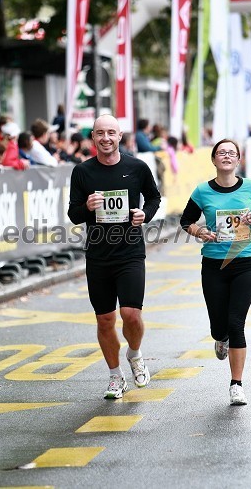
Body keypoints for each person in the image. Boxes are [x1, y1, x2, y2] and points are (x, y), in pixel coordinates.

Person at [68, 114, 161, 399]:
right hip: (98, 254)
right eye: (100, 133)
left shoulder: (137, 167)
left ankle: (134, 353)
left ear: (120, 136)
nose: (106, 138)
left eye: (111, 132)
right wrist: (87, 206)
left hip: (130, 251)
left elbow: (154, 197)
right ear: (93, 138)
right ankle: (114, 376)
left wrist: (146, 215)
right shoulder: (82, 172)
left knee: (131, 314)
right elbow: (73, 214)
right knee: (105, 320)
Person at [180, 138, 251, 406]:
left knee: (236, 322)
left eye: (232, 152)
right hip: (214, 265)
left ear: (238, 159)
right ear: (214, 160)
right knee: (219, 327)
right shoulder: (202, 191)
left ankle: (236, 384)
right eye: (221, 152)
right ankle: (221, 338)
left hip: (245, 262)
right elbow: (186, 221)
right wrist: (200, 231)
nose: (226, 156)